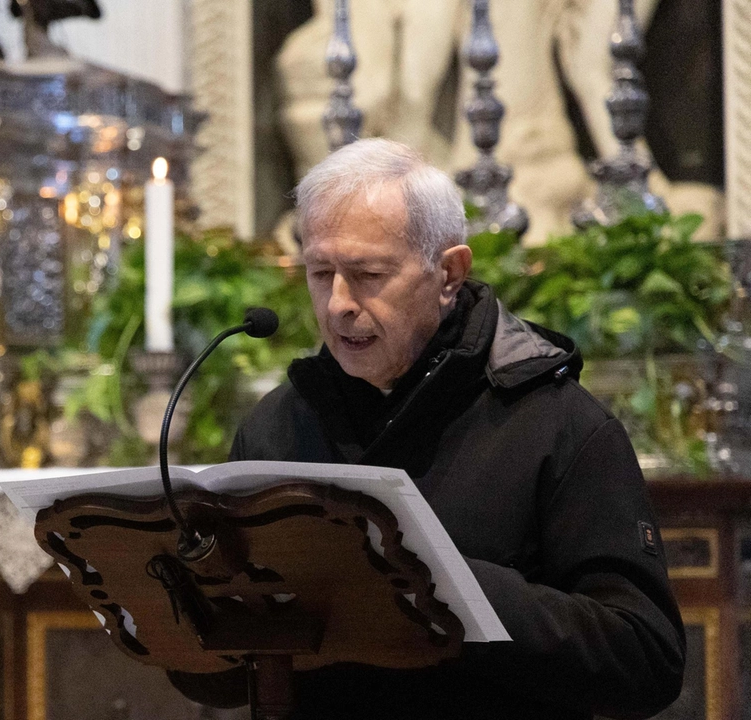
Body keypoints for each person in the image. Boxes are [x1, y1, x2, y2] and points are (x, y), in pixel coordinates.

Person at [168, 138, 684, 720]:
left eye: (368, 274)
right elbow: (219, 684)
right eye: (320, 273)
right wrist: (185, 602)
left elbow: (646, 660)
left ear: (448, 273)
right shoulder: (277, 428)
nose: (338, 303)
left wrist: (443, 582)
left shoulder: (560, 424)